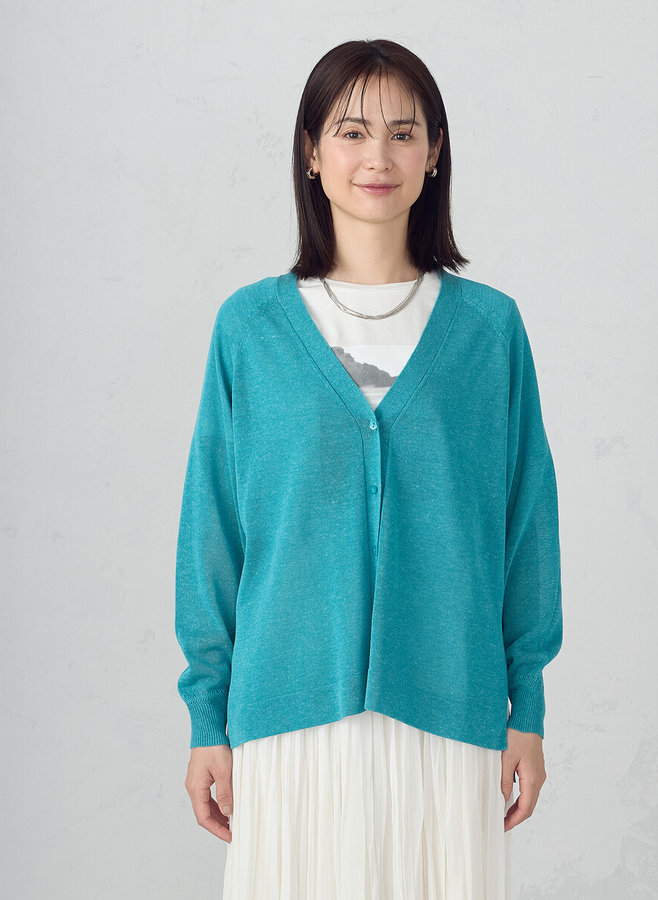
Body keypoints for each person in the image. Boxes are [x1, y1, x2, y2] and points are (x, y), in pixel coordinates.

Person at [175, 38, 563, 900]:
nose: (377, 156)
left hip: (450, 713)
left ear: (435, 153)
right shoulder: (249, 329)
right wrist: (207, 717)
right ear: (312, 154)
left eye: (402, 132)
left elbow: (526, 526)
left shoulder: (490, 331)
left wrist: (527, 709)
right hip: (287, 719)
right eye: (351, 132)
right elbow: (214, 531)